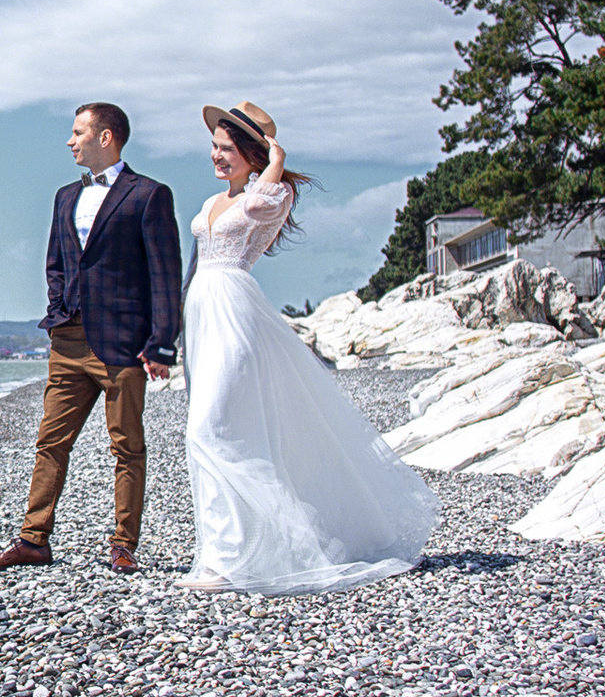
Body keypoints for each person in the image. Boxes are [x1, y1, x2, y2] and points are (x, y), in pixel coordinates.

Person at [178, 101, 438, 593]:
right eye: (214, 146)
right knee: (213, 430)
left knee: (208, 429)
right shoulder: (211, 204)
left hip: (236, 312)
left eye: (228, 149)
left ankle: (244, 554)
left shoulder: (268, 196)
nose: (216, 155)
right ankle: (220, 553)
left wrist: (275, 157)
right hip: (201, 314)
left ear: (254, 155)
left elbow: (258, 205)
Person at [0, 102, 183, 575]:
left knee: (127, 446)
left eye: (77, 133)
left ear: (105, 137)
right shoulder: (64, 195)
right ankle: (33, 539)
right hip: (68, 341)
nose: (70, 142)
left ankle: (124, 545)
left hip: (124, 343)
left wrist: (161, 343)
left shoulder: (149, 195)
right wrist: (58, 309)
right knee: (51, 442)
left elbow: (165, 275)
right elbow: (56, 263)